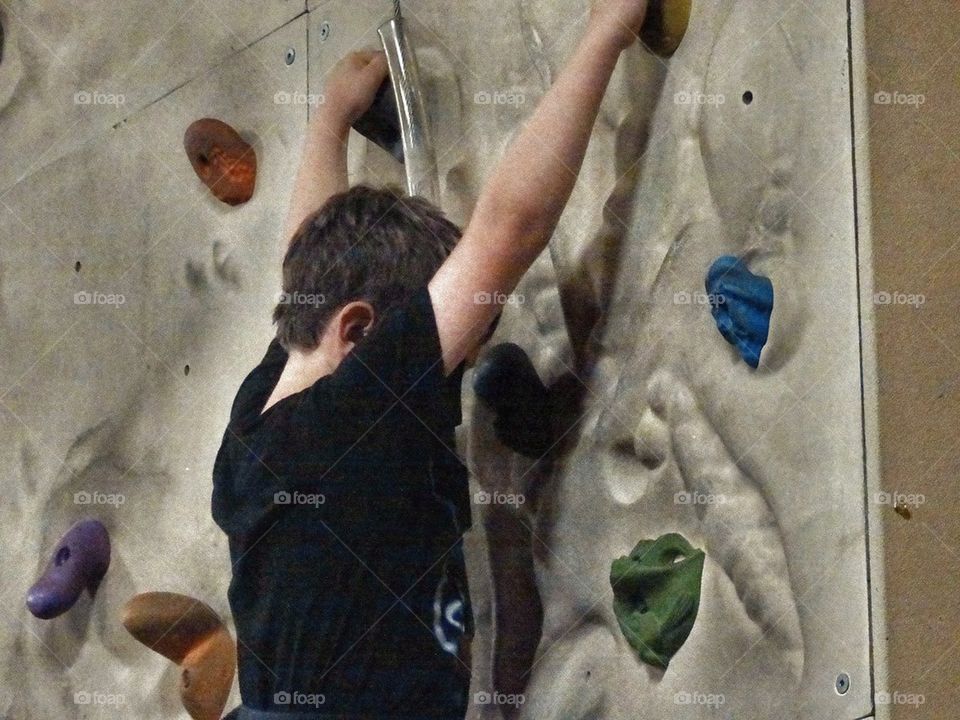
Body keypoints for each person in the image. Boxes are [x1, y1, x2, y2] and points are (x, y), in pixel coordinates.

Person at [213, 1, 651, 717]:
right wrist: (607, 33)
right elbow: (507, 232)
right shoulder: (341, 421)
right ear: (358, 337)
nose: (447, 370)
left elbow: (306, 266)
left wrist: (329, 119)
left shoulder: (265, 420)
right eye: (443, 361)